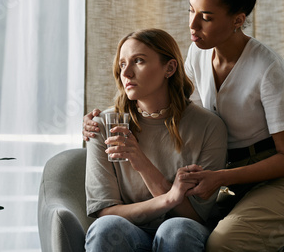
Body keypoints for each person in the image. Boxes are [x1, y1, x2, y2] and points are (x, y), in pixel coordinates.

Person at [83, 0, 284, 252]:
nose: (192, 25)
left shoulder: (268, 70)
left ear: (237, 20)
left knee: (222, 244)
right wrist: (98, 121)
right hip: (231, 173)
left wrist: (220, 176)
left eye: (206, 17)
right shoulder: (197, 54)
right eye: (191, 10)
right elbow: (175, 110)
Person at [84, 28, 227, 252]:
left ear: (169, 68)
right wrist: (169, 199)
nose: (127, 73)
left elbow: (196, 217)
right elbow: (106, 212)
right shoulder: (102, 125)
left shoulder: (209, 126)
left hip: (183, 232)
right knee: (106, 228)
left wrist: (142, 163)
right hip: (129, 232)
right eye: (122, 64)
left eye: (138, 61)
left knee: (175, 230)